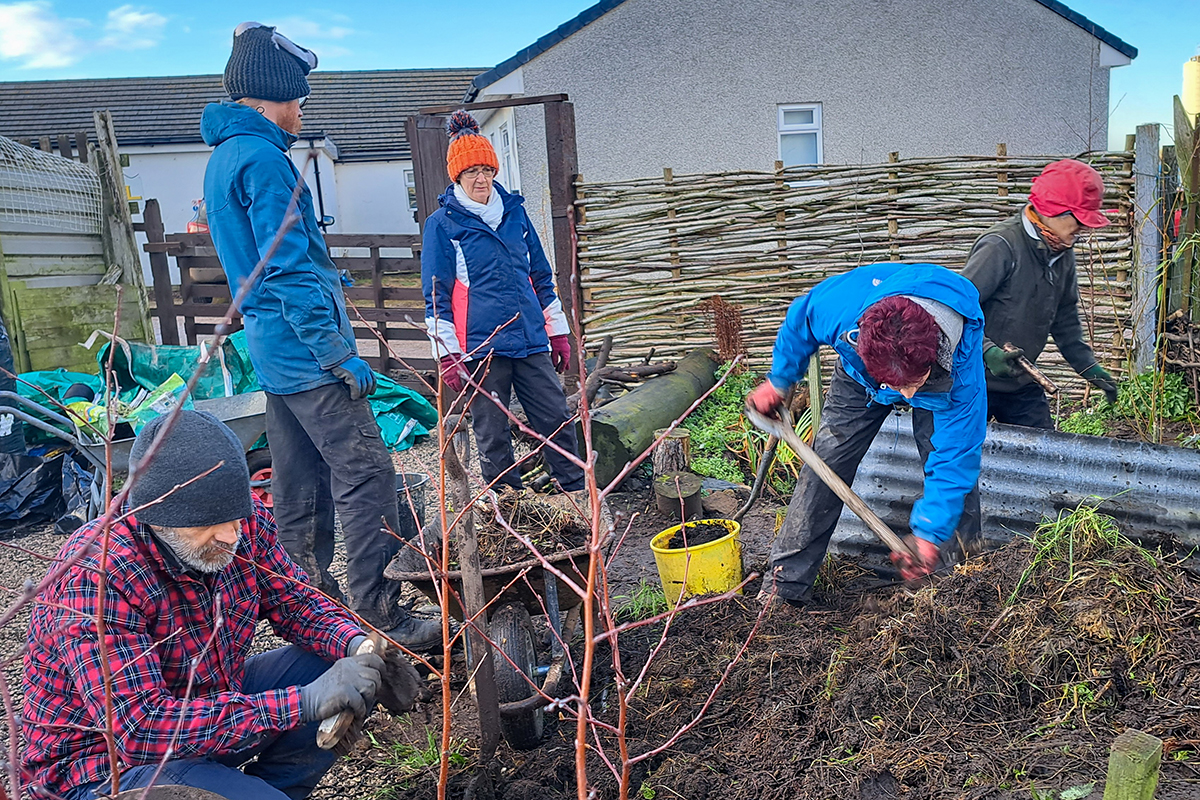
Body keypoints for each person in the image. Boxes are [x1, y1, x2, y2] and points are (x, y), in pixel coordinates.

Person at [22, 411, 428, 800]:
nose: (231, 536)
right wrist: (300, 703)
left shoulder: (239, 522)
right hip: (107, 765)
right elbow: (141, 729)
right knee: (313, 691)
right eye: (208, 525)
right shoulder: (96, 575)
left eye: (236, 518)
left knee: (334, 665)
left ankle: (270, 791)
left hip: (203, 708)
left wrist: (360, 648)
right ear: (157, 516)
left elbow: (297, 602)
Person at [201, 22, 439, 649]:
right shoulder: (262, 159)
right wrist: (336, 352)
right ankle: (381, 611)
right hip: (308, 355)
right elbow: (286, 267)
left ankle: (308, 607)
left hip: (275, 353)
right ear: (270, 95)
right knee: (366, 475)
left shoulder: (226, 156)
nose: (302, 107)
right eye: (297, 95)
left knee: (297, 483)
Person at [746, 263, 986, 609]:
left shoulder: (961, 371)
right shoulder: (840, 308)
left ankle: (959, 591)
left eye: (909, 385)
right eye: (895, 385)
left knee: (956, 481)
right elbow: (802, 318)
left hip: (938, 384)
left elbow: (955, 456)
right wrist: (780, 379)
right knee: (825, 464)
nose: (903, 395)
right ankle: (785, 589)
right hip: (861, 377)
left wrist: (929, 534)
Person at [421, 110, 584, 493]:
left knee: (557, 419)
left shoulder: (515, 214)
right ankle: (507, 508)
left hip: (529, 340)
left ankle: (576, 495)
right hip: (481, 347)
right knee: (492, 434)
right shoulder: (443, 225)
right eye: (471, 172)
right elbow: (436, 294)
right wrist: (447, 353)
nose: (481, 179)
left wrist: (557, 332)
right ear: (457, 176)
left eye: (486, 170)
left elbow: (541, 277)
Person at [963, 159, 1119, 429]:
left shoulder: (1061, 251)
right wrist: (987, 352)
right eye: (1080, 219)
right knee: (963, 462)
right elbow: (956, 310)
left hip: (1020, 383)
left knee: (1043, 459)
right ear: (1053, 211)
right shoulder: (1000, 247)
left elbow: (1065, 317)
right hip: (972, 382)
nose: (1084, 228)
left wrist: (1088, 368)